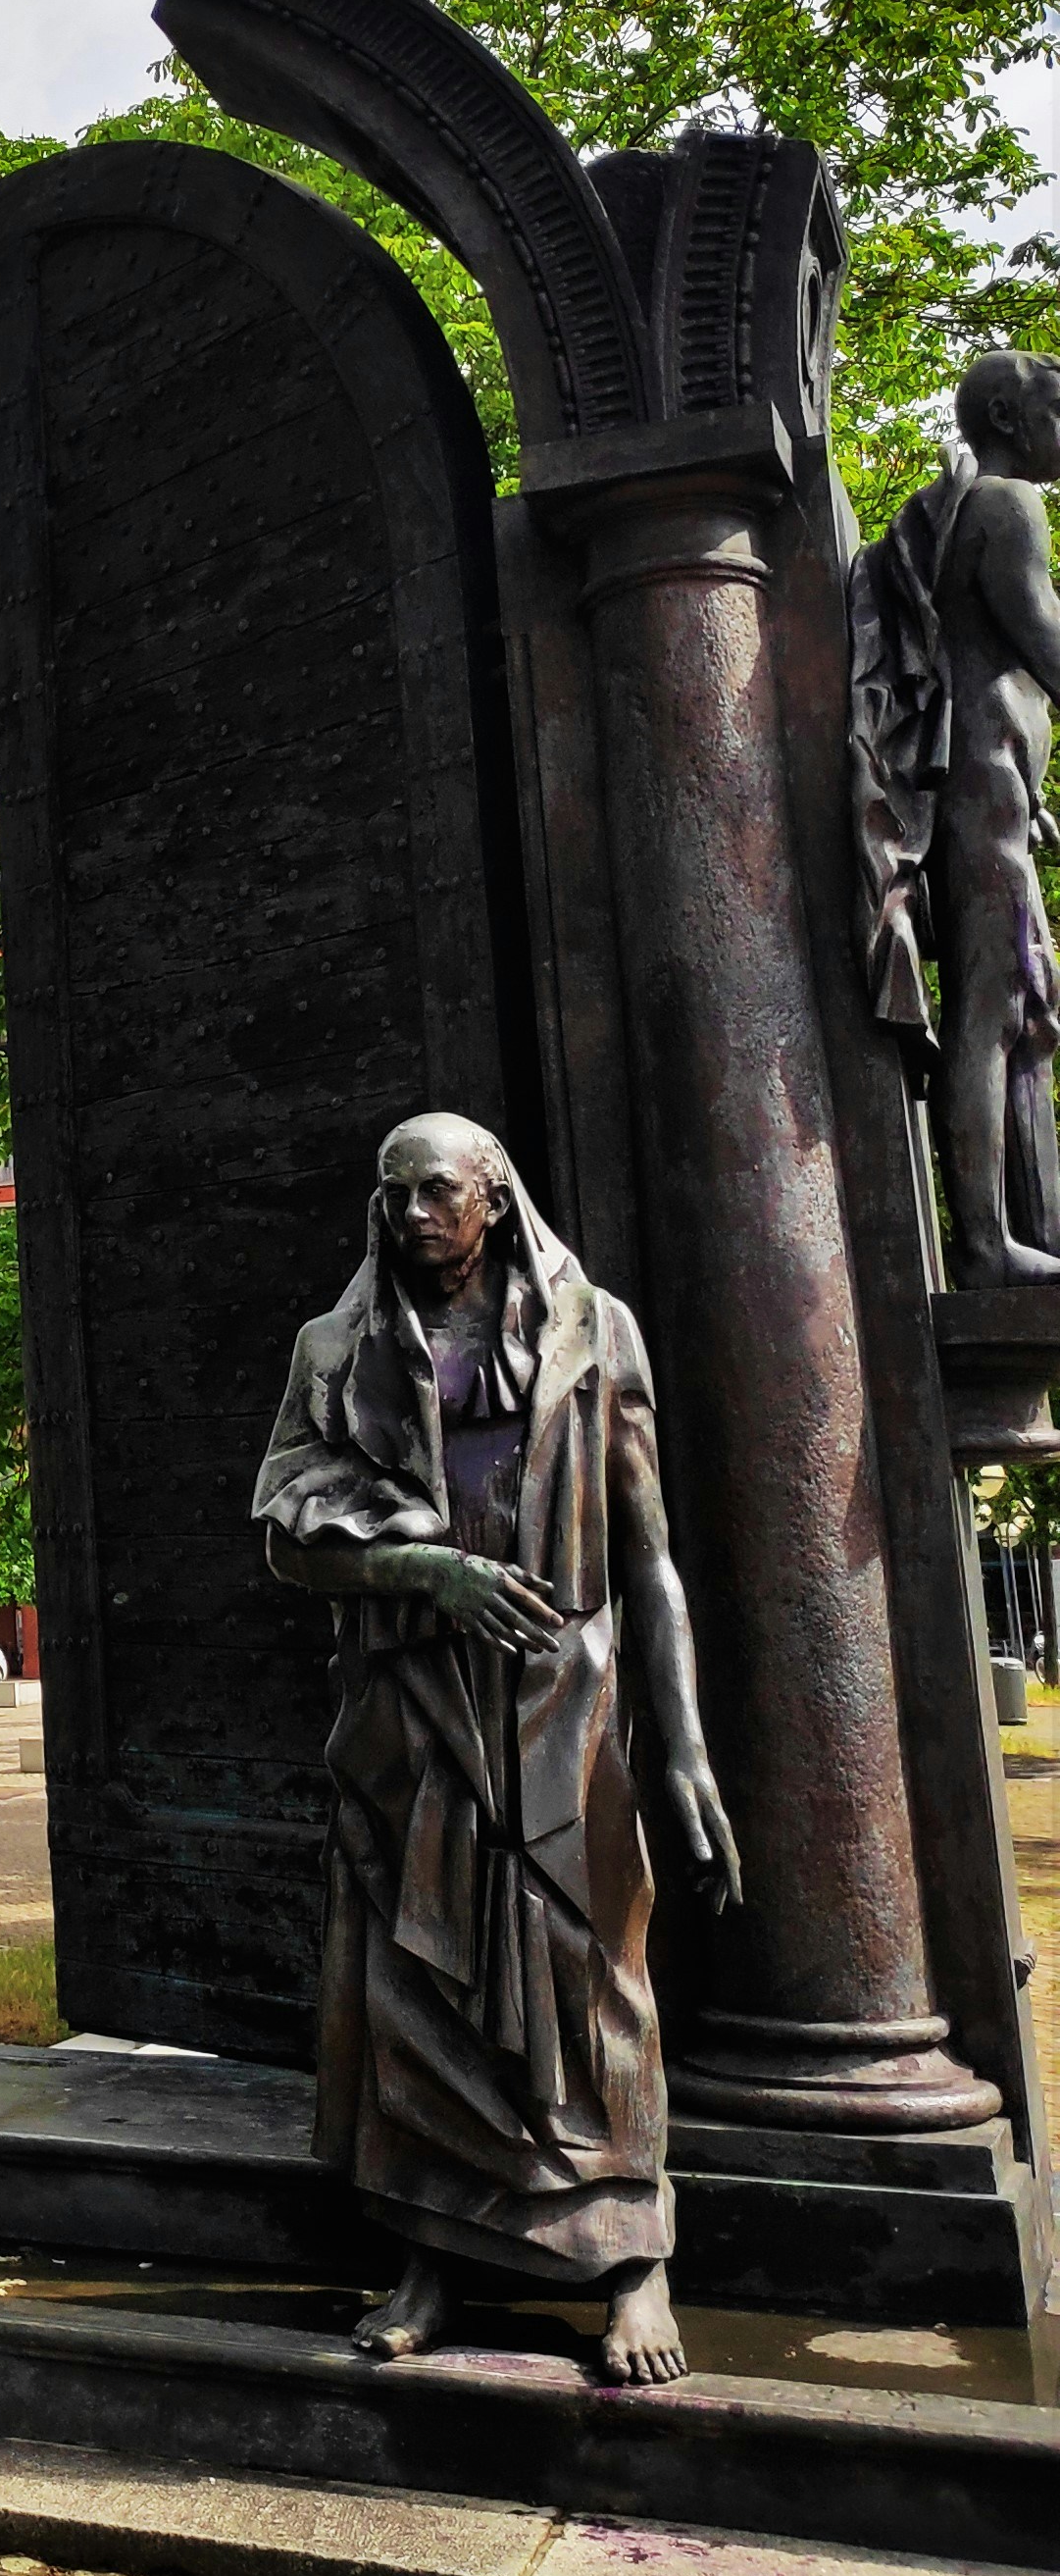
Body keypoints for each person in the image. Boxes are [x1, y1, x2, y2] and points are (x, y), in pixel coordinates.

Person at [252, 1113, 740, 2386]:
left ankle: (635, 2262)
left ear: (495, 1200)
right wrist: (424, 1571)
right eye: (395, 1197)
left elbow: (650, 1559)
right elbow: (287, 1540)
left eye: (439, 1195)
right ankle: (431, 2255)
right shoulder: (337, 1348)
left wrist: (682, 1748)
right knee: (419, 1987)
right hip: (411, 1712)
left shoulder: (596, 1336)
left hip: (567, 1714)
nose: (415, 1216)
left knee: (595, 1985)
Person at [848, 348, 1060, 1281]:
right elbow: (1043, 643)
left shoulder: (970, 507)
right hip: (985, 787)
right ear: (1012, 418)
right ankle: (984, 1243)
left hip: (1000, 789)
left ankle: (1022, 1232)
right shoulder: (1010, 505)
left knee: (1022, 1009)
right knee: (996, 1005)